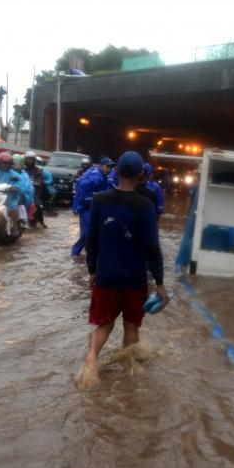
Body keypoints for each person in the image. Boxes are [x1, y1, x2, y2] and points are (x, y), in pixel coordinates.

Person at [81, 151, 167, 381]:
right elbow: (152, 247)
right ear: (141, 174)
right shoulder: (145, 205)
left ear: (116, 171)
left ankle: (91, 359)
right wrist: (159, 282)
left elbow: (91, 241)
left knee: (104, 325)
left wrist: (92, 270)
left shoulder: (100, 200)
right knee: (131, 328)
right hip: (134, 278)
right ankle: (130, 380)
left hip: (106, 275)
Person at [71, 156, 114, 256]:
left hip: (93, 208)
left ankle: (91, 254)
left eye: (111, 167)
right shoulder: (97, 177)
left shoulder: (103, 176)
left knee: (96, 232)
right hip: (87, 208)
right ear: (102, 166)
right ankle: (75, 254)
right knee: (87, 234)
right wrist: (90, 200)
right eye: (108, 166)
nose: (109, 169)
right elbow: (82, 187)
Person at [0, 152, 23, 237]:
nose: (5, 165)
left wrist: (15, 188)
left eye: (7, 163)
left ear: (10, 164)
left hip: (10, 197)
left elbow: (20, 186)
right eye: (3, 163)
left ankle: (15, 226)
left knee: (12, 207)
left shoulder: (15, 175)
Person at [23, 151, 47, 227]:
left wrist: (37, 182)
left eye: (31, 159)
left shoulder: (38, 170)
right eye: (28, 159)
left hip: (34, 192)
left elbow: (41, 180)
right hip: (23, 191)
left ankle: (41, 221)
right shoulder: (22, 169)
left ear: (34, 160)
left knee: (38, 205)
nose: (29, 161)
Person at [11, 154, 34, 227]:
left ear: (22, 164)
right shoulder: (7, 172)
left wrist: (16, 188)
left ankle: (22, 220)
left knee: (19, 201)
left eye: (18, 164)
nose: (16, 166)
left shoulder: (24, 175)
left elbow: (25, 188)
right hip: (7, 195)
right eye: (14, 163)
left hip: (22, 196)